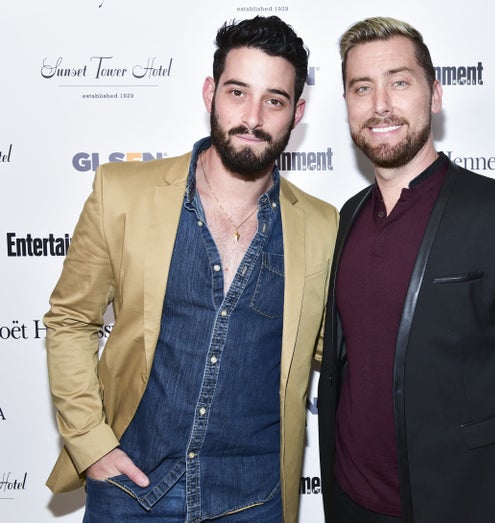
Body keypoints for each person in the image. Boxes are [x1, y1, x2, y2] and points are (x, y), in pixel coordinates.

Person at [44, 15, 337, 523]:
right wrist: (91, 445)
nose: (253, 116)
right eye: (238, 92)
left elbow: (336, 354)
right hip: (130, 492)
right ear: (210, 93)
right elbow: (70, 320)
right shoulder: (123, 193)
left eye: (275, 99)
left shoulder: (322, 225)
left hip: (254, 500)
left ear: (297, 113)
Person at [318, 16, 495, 523]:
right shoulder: (347, 216)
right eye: (361, 88)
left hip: (461, 505)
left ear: (434, 94)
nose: (380, 106)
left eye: (399, 82)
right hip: (349, 504)